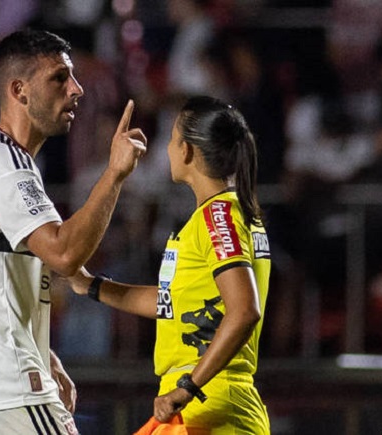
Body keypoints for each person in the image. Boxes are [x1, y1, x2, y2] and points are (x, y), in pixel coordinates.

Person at [0, 29, 147, 434]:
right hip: (4, 392)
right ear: (19, 91)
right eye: (59, 78)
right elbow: (64, 254)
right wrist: (114, 174)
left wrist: (43, 354)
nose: (76, 89)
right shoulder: (2, 161)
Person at [67, 96, 271, 434]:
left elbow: (245, 309)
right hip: (204, 404)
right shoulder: (225, 215)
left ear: (188, 151)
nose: (167, 150)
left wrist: (189, 386)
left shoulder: (218, 217)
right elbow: (172, 303)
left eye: (172, 140)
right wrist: (91, 285)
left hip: (209, 405)